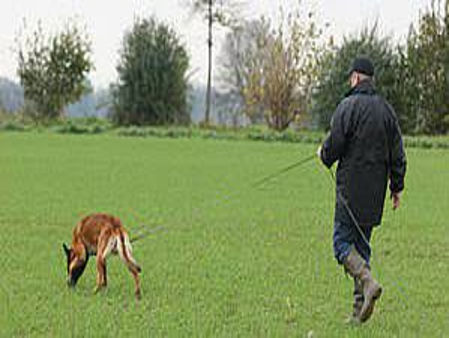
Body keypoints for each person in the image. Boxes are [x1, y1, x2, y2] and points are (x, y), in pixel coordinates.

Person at [317, 57, 407, 324]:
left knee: (342, 244)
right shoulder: (386, 111)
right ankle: (359, 312)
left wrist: (322, 154)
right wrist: (397, 187)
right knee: (362, 247)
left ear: (356, 78)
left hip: (349, 192)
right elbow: (398, 153)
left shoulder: (348, 106)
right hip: (374, 193)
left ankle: (367, 282)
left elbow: (334, 145)